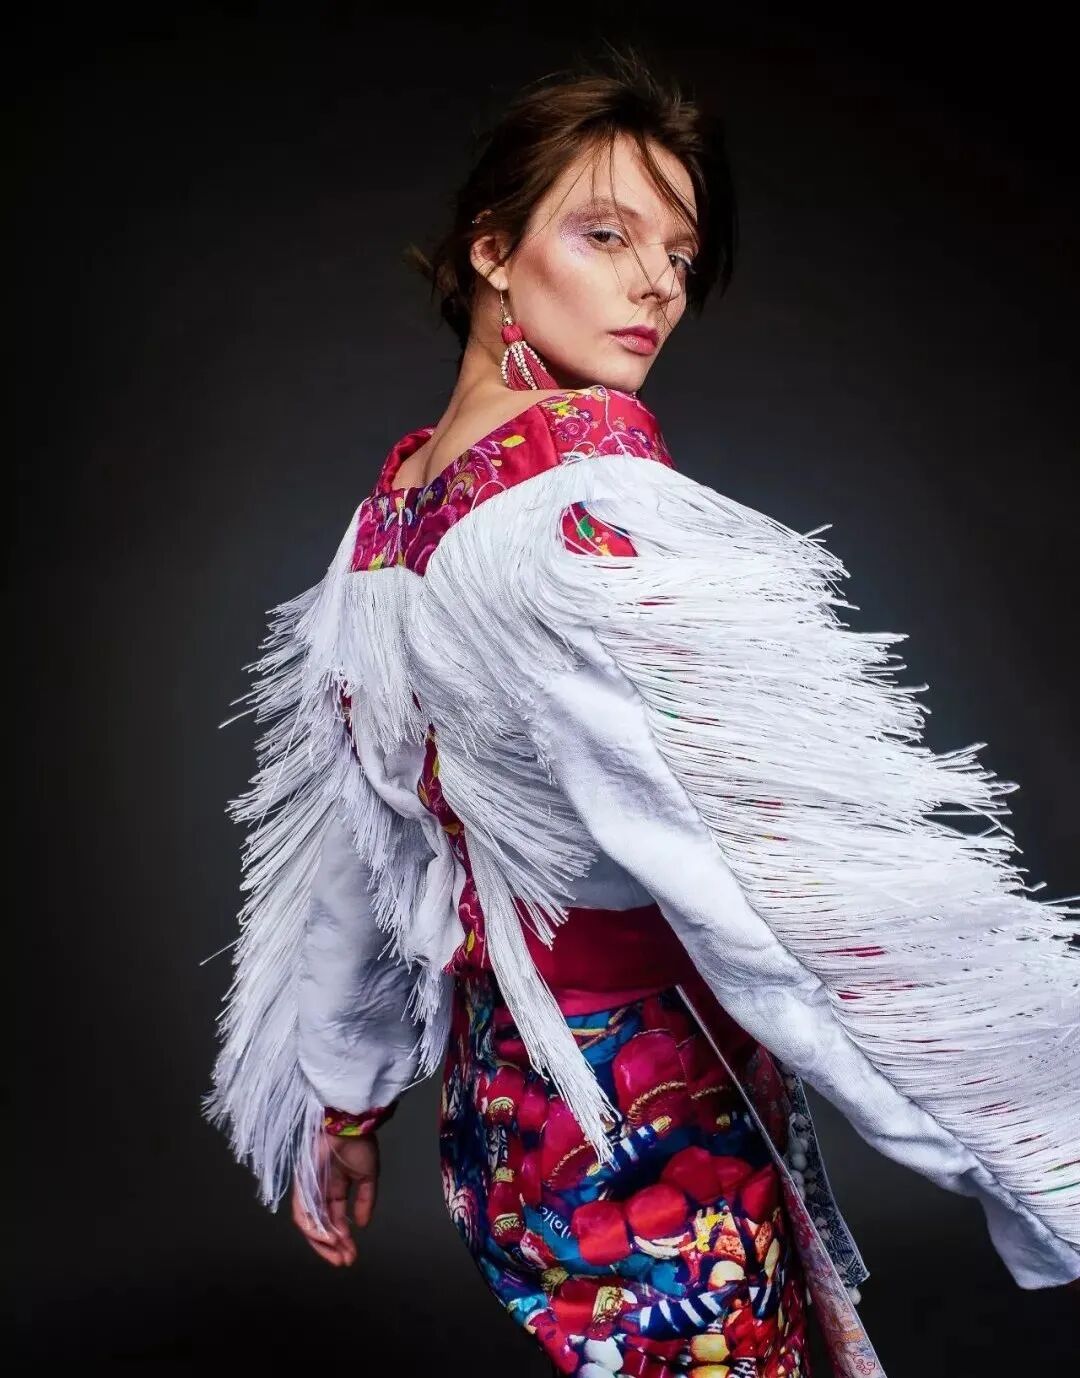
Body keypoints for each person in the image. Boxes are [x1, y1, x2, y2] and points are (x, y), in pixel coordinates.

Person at [202, 49, 1080, 1378]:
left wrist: (343, 1096)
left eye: (678, 253)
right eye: (605, 235)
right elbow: (768, 880)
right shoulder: (581, 516)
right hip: (645, 1108)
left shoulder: (383, 529)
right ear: (492, 251)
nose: (657, 284)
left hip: (506, 1114)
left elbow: (358, 857)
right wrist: (1026, 1135)